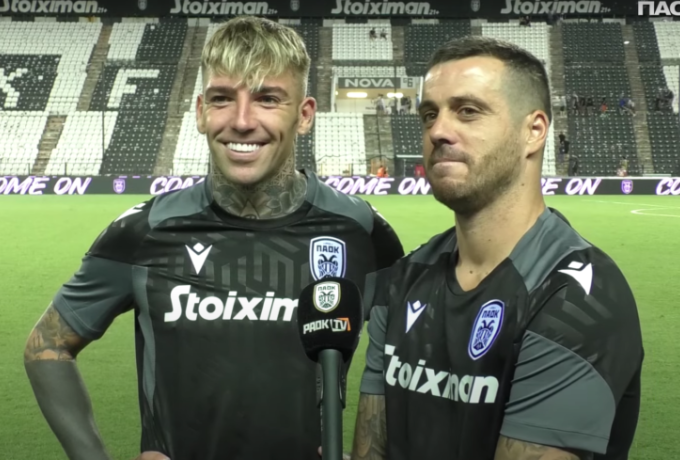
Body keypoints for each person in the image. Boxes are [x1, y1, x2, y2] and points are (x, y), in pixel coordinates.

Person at [24, 16, 404, 460]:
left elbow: (403, 358)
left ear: (304, 115)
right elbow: (46, 346)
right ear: (201, 111)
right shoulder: (145, 232)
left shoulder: (361, 232)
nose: (242, 121)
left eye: (267, 99)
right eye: (223, 98)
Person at [350, 36, 643, 460]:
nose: (438, 131)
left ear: (534, 131)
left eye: (468, 111)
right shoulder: (402, 279)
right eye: (429, 114)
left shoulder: (579, 298)